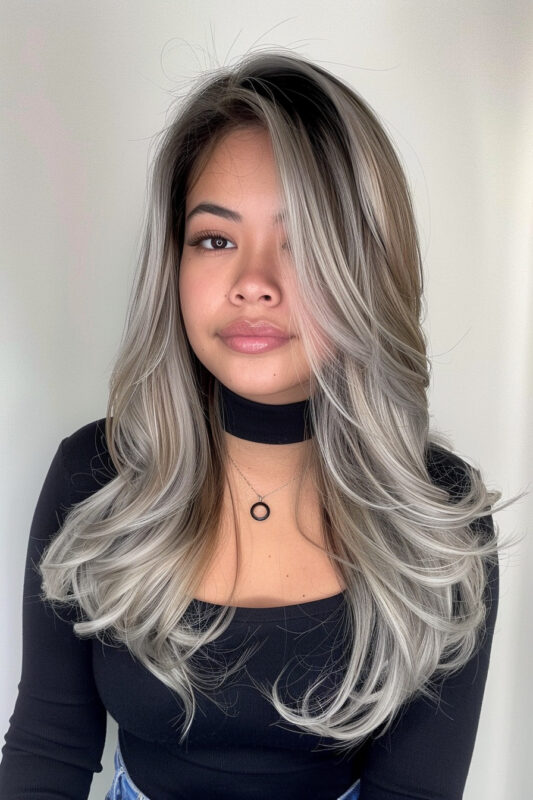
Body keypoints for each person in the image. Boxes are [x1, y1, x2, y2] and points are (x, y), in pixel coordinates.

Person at [0, 48, 524, 800]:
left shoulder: (440, 524)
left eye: (302, 244)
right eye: (216, 239)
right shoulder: (96, 475)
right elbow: (47, 749)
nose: (253, 284)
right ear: (174, 263)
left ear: (366, 269)